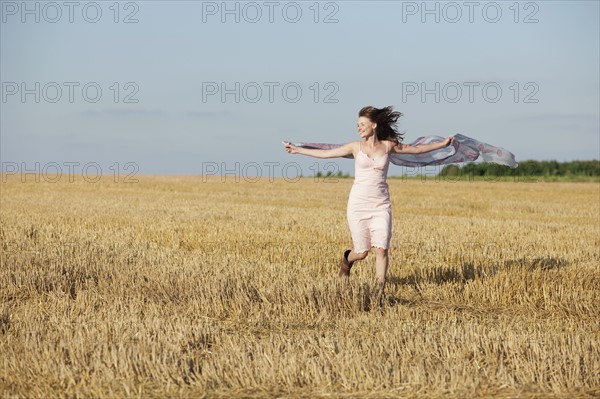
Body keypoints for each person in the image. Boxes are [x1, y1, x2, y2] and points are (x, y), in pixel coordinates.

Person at [283, 106, 453, 305]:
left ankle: (379, 291)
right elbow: (326, 154)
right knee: (362, 252)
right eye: (357, 125)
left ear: (374, 125)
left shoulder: (389, 146)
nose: (359, 128)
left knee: (381, 249)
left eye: (362, 124)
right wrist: (297, 150)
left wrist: (442, 144)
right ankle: (348, 258)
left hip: (381, 205)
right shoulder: (355, 147)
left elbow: (417, 150)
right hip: (358, 205)